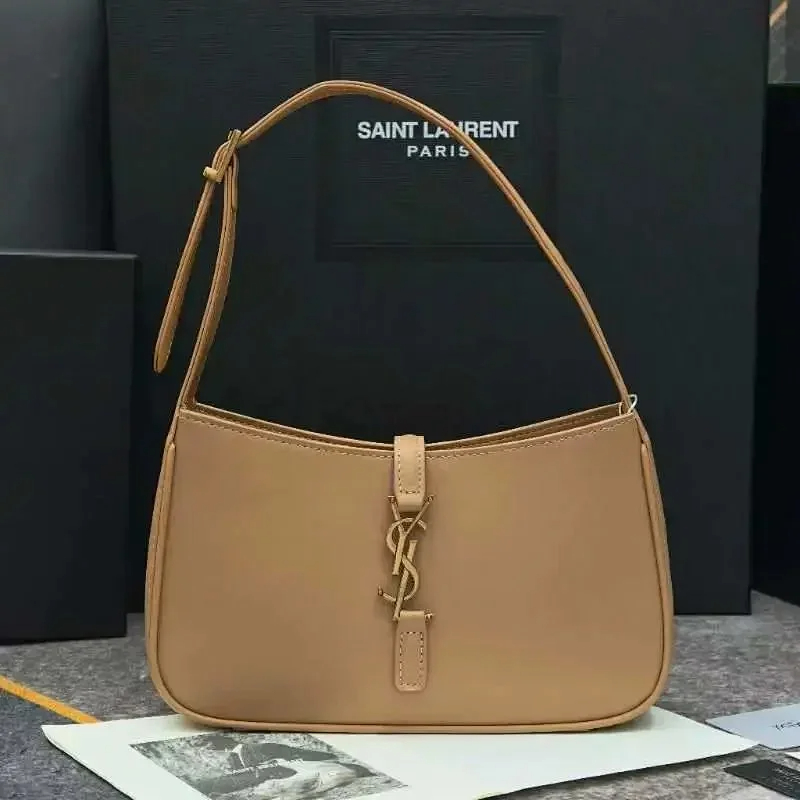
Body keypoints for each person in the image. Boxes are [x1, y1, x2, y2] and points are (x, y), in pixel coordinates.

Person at [191, 736, 367, 799]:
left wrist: (327, 756)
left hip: (288, 773)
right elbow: (239, 776)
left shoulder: (262, 747)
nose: (213, 753)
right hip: (261, 781)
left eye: (213, 749)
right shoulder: (232, 759)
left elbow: (295, 752)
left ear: (222, 746)